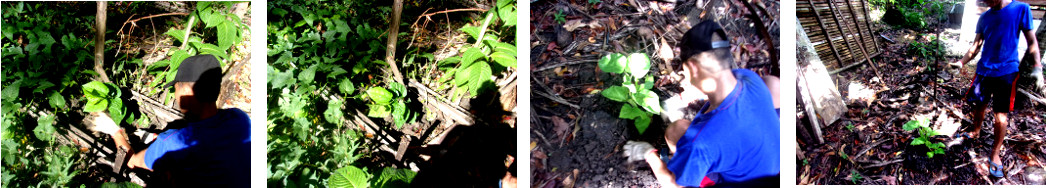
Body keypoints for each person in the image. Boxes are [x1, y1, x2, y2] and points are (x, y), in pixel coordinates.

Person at [626, 20, 779, 188]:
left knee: (675, 132)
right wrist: (684, 98)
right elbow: (719, 81)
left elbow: (674, 185)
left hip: (739, 182)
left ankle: (685, 167)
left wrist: (648, 153)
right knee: (773, 84)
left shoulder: (700, 143)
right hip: (771, 166)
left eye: (684, 70)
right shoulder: (748, 78)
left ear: (692, 67)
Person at [110, 54, 251, 186]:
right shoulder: (240, 118)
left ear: (185, 92)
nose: (175, 94)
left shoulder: (173, 142)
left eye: (176, 88)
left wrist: (115, 132)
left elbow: (132, 161)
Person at [952, 0, 1044, 178]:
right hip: (983, 70)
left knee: (1000, 115)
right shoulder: (985, 17)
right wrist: (961, 62)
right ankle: (975, 131)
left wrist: (1037, 66)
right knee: (978, 105)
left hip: (1006, 72)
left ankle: (995, 152)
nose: (985, 2)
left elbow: (1031, 40)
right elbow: (976, 45)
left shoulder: (1020, 9)